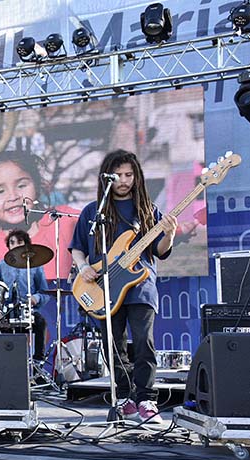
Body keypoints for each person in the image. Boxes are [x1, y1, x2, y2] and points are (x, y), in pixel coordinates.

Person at [69, 149, 177, 424]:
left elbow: (160, 251)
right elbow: (78, 248)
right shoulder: (93, 212)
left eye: (129, 174)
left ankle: (146, 399)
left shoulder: (147, 210)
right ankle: (127, 399)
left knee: (143, 342)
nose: (124, 180)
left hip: (141, 286)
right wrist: (84, 268)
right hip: (105, 287)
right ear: (107, 177)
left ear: (137, 176)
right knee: (113, 346)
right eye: (118, 175)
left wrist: (170, 233)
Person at [0, 151, 79, 281]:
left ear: (37, 188)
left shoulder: (63, 219)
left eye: (21, 186)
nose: (13, 196)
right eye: (0, 191)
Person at [0, 229, 50, 361]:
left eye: (20, 242)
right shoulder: (2, 265)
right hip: (8, 312)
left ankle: (38, 362)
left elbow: (44, 292)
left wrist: (36, 298)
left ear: (26, 244)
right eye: (12, 243)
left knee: (40, 322)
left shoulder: (35, 265)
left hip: (28, 311)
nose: (16, 245)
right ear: (9, 247)